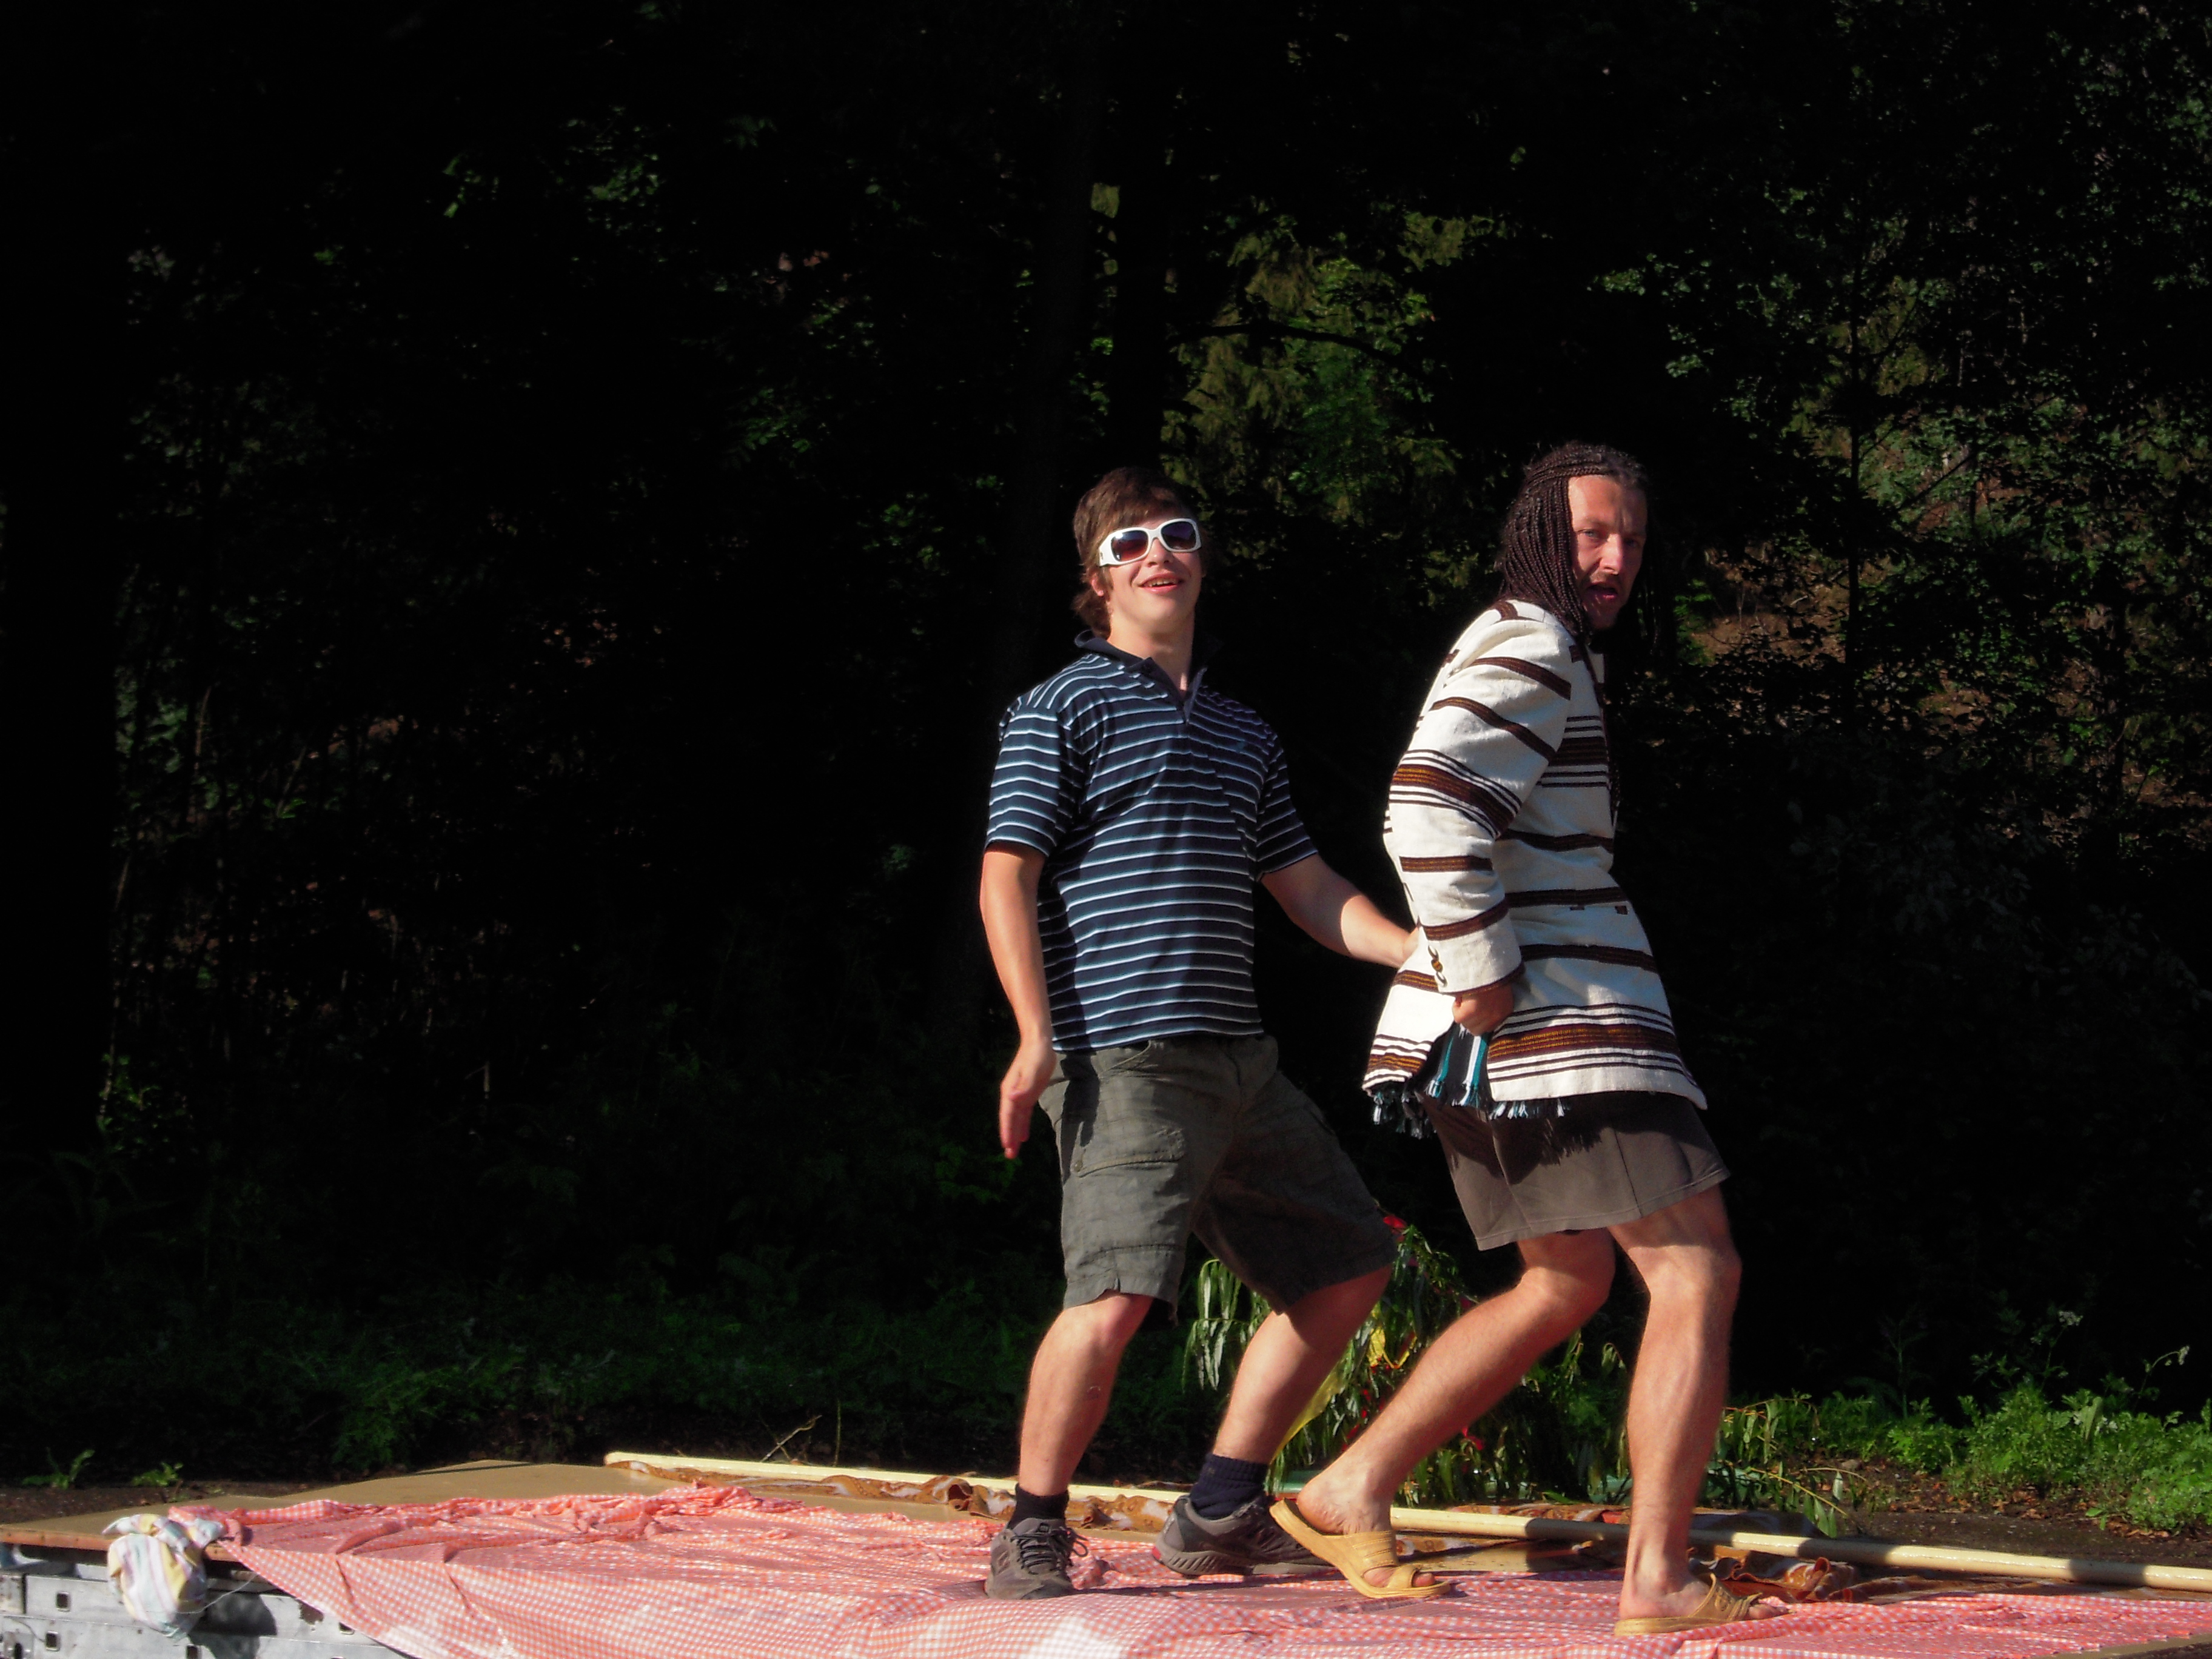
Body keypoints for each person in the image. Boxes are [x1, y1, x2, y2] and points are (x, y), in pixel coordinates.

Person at [1270, 443, 1785, 1635]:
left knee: (1566, 1279)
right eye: (1592, 533)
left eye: (1631, 540)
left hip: (1493, 1037)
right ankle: (1658, 1580)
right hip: (1558, 1029)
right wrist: (1487, 967)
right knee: (1696, 1269)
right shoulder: (1533, 643)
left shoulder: (1528, 645)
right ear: (1539, 537)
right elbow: (1425, 802)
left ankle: (1350, 1487)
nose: (1614, 559)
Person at [979, 466, 1413, 1600]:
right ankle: (1032, 1528)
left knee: (1349, 1266)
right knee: (1114, 1296)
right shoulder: (1058, 707)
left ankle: (1220, 1508)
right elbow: (1005, 875)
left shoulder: (1241, 731)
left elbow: (1308, 887)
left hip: (1240, 1061)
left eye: (1175, 533)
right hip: (1122, 1055)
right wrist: (1032, 1039)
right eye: (1127, 543)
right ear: (1096, 581)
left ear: (1202, 560)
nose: (1156, 554)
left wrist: (1419, 950)